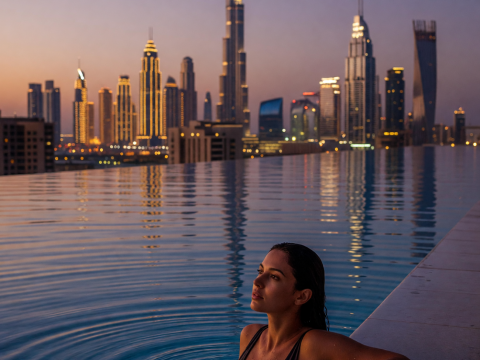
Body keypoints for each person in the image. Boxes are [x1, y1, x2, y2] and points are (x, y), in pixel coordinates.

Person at [239, 243, 409, 360]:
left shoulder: (312, 344)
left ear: (301, 296)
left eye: (274, 277)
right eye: (260, 271)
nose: (257, 281)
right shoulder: (250, 335)